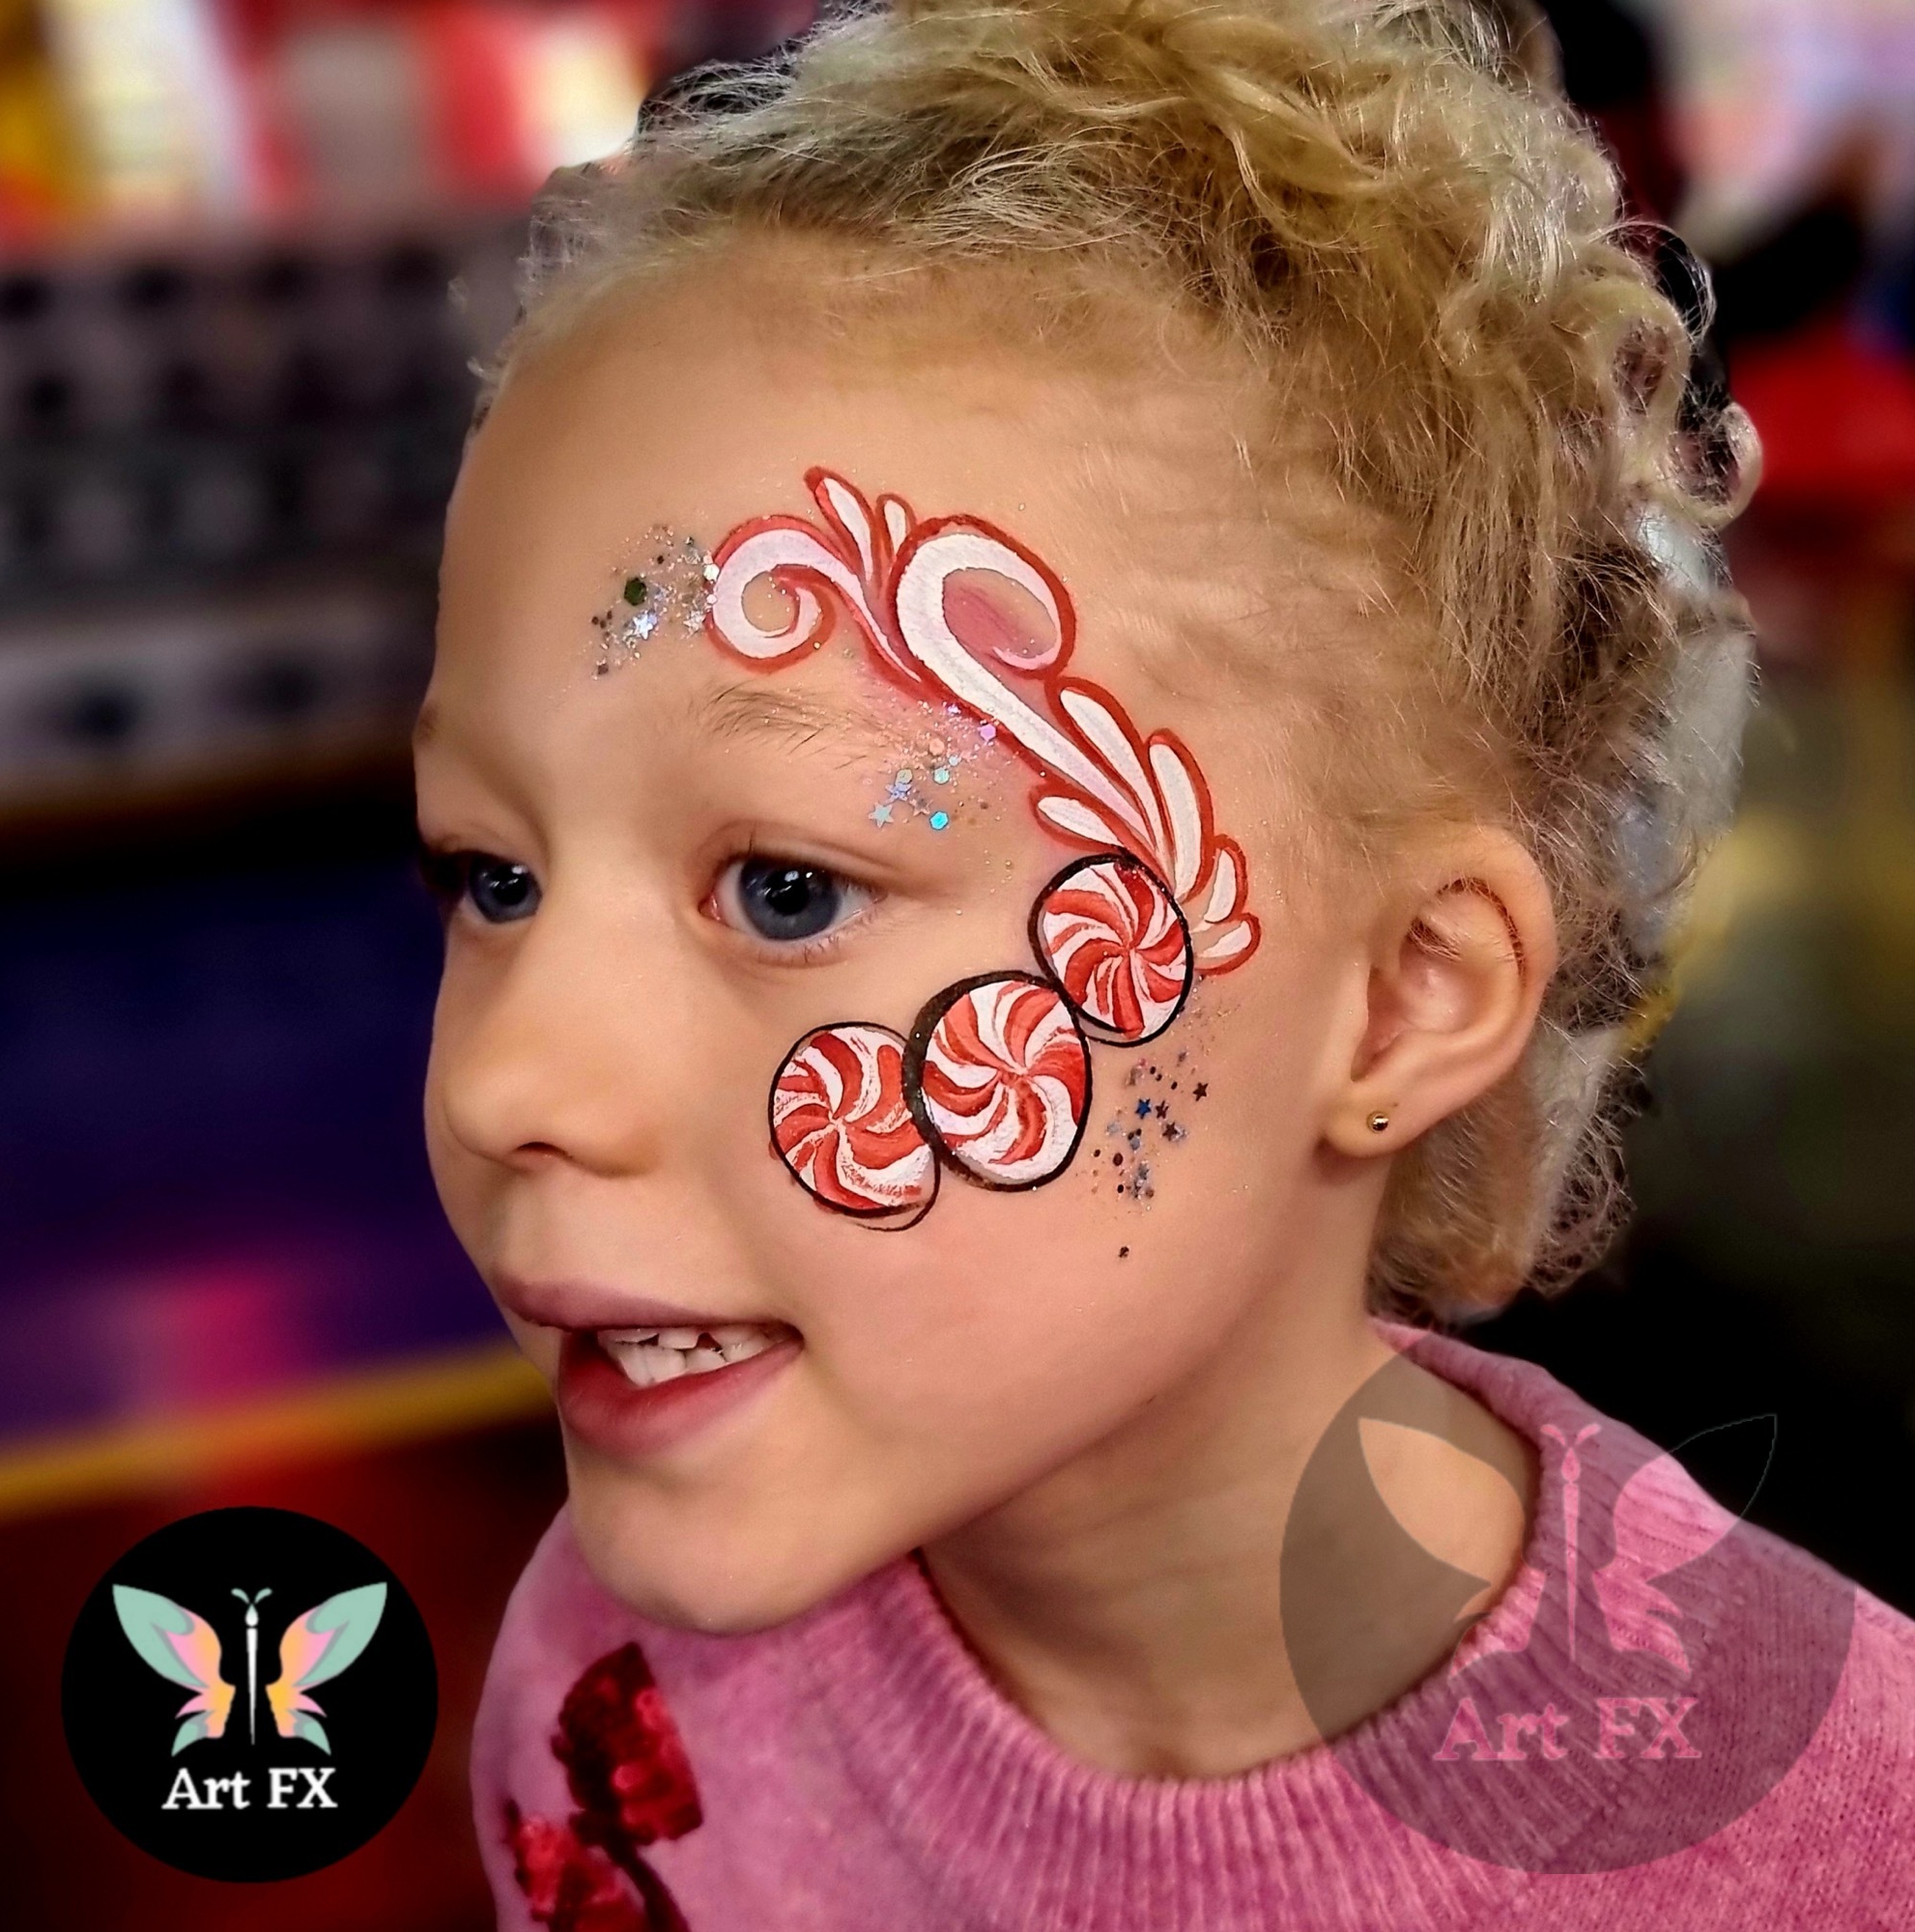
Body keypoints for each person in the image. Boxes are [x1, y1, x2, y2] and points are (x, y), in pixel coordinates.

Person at [415, 1, 1915, 1923]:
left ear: (1400, 995)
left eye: (789, 889)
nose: (506, 1079)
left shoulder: (1829, 1853)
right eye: (490, 873)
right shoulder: (614, 1714)